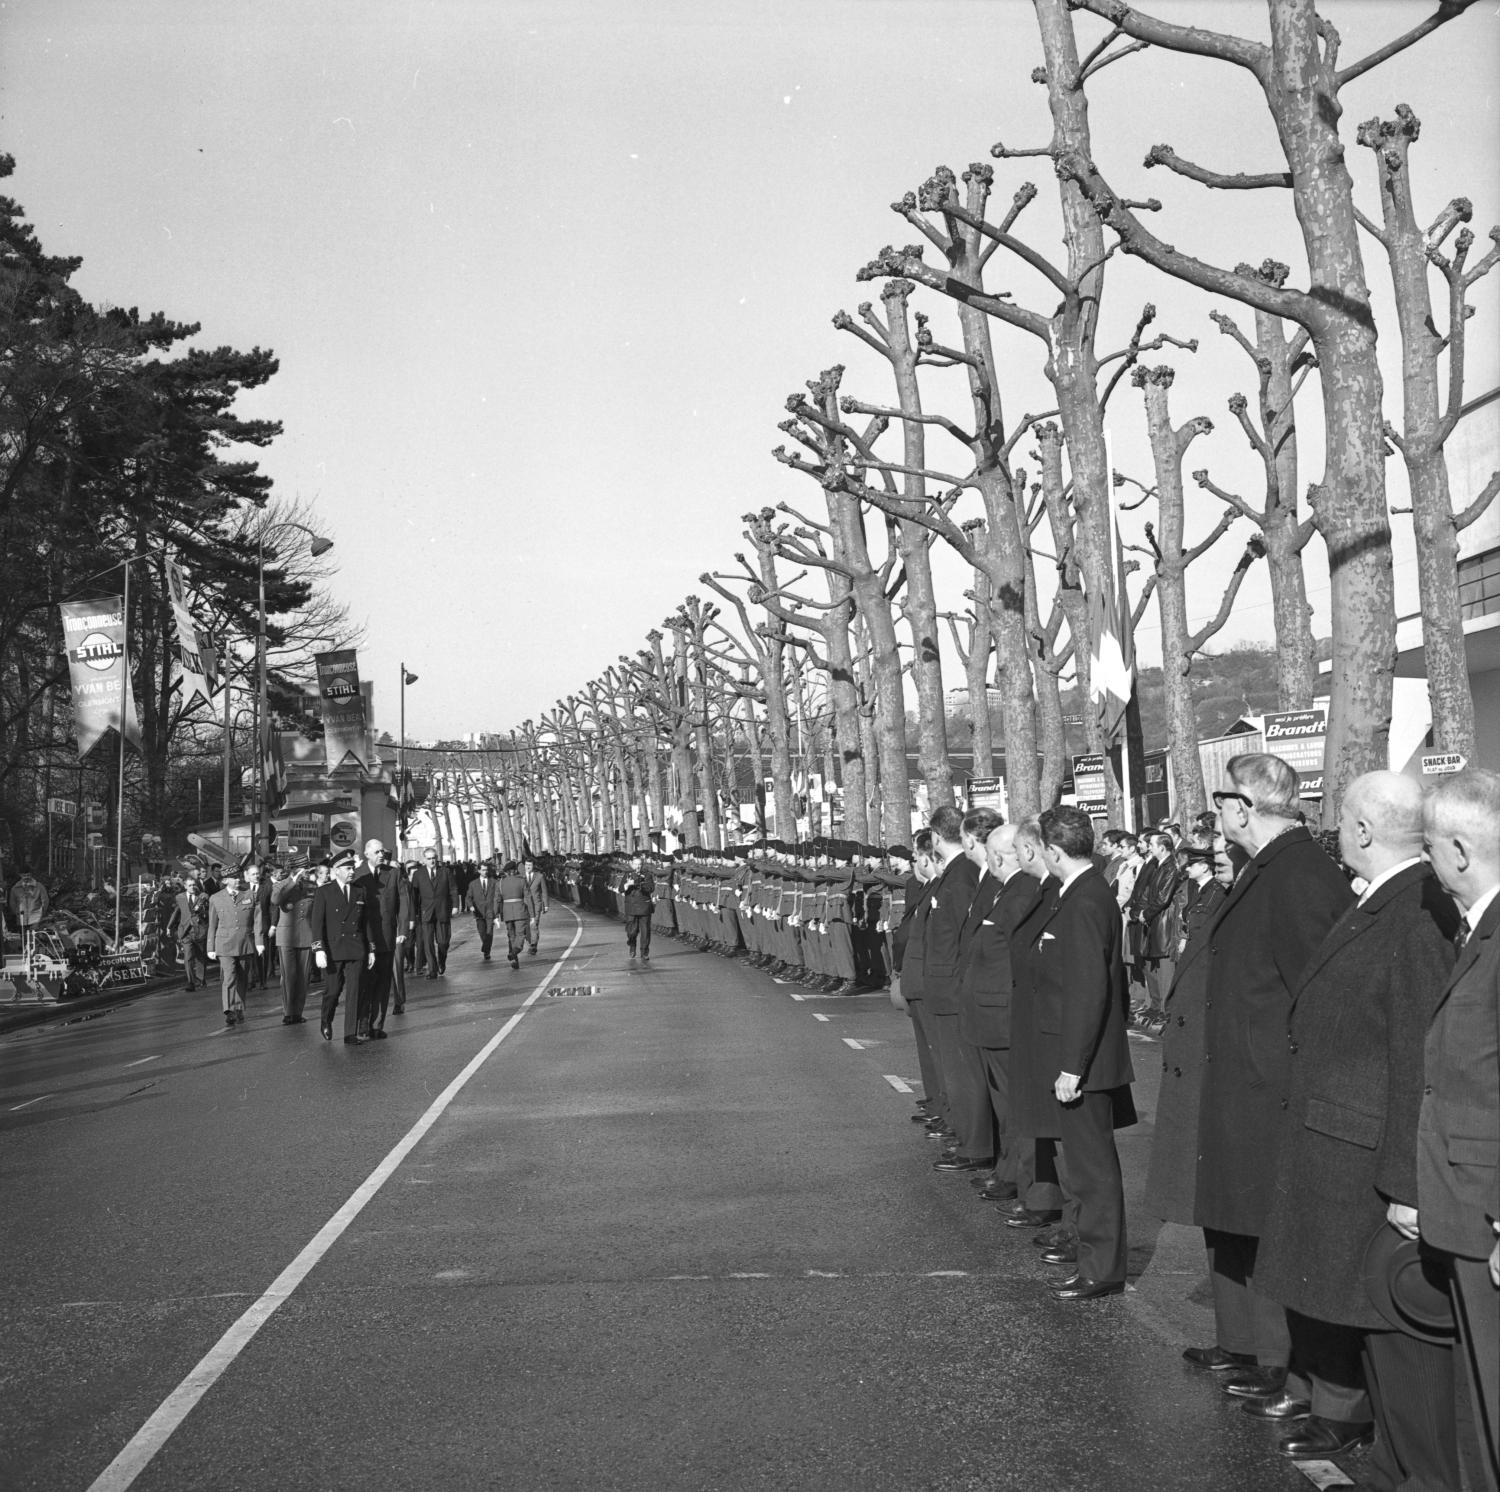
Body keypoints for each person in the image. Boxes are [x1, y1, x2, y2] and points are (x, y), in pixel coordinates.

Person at [1256, 772, 1459, 1471]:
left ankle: (1351, 1418)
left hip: (1363, 1134)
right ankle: (1323, 1398)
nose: (1336, 831)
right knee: (1328, 1279)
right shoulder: (1383, 899)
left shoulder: (1413, 913)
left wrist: (1407, 1179)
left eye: (1341, 819)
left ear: (1365, 831)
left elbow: (1417, 1056)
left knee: (1360, 1291)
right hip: (1335, 1123)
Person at [1199, 753, 1354, 1410]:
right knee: (1241, 1222)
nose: (1218, 816)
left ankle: (1284, 1365)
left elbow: (1319, 994)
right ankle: (1262, 1354)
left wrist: (1286, 1078)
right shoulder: (1266, 868)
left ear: (1243, 806)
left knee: (1272, 1229)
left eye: (1221, 802)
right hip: (1250, 1082)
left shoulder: (1294, 875)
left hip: (1273, 1089)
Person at [1415, 769, 1500, 1492]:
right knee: (1479, 1409)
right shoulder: (1480, 931)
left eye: (1431, 848)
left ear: (1462, 851)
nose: (1429, 866)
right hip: (1466, 1205)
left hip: (1490, 1213)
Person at [1019, 805, 1135, 1302]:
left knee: (1092, 1171)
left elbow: (1088, 992)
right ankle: (1094, 1260)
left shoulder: (1086, 900)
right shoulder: (1080, 894)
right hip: (1076, 1055)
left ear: (1053, 851)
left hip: (1082, 1064)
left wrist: (1073, 1066)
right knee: (1085, 1168)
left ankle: (1103, 1268)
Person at [1146, 837, 1236, 1364]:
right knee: (1218, 1217)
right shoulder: (1223, 896)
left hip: (1227, 1068)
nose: (1215, 852)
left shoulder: (1254, 895)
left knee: (1239, 1218)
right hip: (1206, 1066)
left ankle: (1262, 1350)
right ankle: (1241, 1341)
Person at [957, 822, 1043, 1203]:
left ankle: (1027, 1183)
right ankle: (1010, 1171)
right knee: (1005, 1106)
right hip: (990, 1015)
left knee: (1015, 1108)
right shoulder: (1006, 890)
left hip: (1005, 1016)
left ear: (996, 857)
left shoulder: (1022, 891)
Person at [311, 850, 373, 1044]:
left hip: (356, 948)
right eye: (348, 868)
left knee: (354, 991)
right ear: (336, 870)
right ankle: (326, 1019)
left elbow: (366, 923)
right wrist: (318, 949)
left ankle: (349, 1033)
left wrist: (371, 949)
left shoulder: (359, 891)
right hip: (333, 949)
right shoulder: (324, 892)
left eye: (353, 868)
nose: (352, 872)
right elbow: (316, 923)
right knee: (333, 990)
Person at [357, 838, 410, 1038]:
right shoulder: (357, 875)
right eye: (377, 852)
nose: (382, 855)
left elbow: (403, 902)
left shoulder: (393, 874)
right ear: (367, 854)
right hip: (364, 939)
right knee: (365, 984)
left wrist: (403, 929)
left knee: (383, 983)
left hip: (388, 936)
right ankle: (362, 1025)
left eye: (383, 852)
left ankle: (377, 1025)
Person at [205, 865, 265, 1028]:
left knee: (242, 978)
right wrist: (210, 947)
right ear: (225, 880)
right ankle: (229, 1010)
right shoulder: (215, 898)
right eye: (234, 877)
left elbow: (258, 920)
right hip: (224, 944)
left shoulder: (250, 895)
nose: (238, 880)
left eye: (238, 876)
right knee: (229, 976)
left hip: (245, 942)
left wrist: (259, 942)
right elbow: (212, 924)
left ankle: (238, 1008)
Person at [272, 862, 318, 1024]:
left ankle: (298, 1012)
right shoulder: (281, 885)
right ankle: (288, 1012)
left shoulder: (311, 886)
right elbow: (276, 900)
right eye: (304, 871)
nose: (307, 874)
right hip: (286, 936)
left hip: (305, 935)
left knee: (303, 977)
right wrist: (292, 882)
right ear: (296, 870)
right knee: (289, 975)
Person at [411, 848, 454, 977]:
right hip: (426, 913)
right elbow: (414, 895)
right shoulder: (418, 874)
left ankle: (442, 961)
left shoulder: (445, 872)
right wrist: (414, 914)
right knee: (428, 943)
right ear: (424, 860)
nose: (432, 861)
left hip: (442, 911)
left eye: (434, 858)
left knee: (443, 942)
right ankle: (432, 970)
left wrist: (455, 906)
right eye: (429, 859)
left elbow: (453, 889)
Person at [168, 875, 209, 993]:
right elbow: (176, 912)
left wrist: (203, 910)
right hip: (186, 932)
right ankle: (191, 982)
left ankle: (201, 979)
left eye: (194, 885)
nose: (192, 887)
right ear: (185, 886)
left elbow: (207, 911)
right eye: (190, 885)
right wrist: (169, 926)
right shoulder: (179, 897)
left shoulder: (202, 896)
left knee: (201, 956)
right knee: (188, 957)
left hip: (199, 930)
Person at [620, 854, 655, 962]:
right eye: (636, 864)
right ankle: (632, 944)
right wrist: (627, 885)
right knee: (631, 930)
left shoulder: (647, 875)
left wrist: (641, 883)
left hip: (644, 905)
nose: (638, 867)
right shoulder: (627, 874)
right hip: (631, 906)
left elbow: (651, 888)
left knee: (645, 931)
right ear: (632, 864)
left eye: (640, 864)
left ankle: (644, 952)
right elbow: (621, 889)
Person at [496, 860, 530, 969]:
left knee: (512, 936)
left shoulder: (500, 883)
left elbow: (497, 900)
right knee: (520, 935)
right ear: (515, 870)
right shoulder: (522, 881)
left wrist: (495, 915)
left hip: (507, 912)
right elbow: (528, 898)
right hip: (520, 910)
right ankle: (514, 952)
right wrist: (532, 914)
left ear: (506, 872)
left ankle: (515, 960)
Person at [466, 860, 499, 961]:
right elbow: (468, 897)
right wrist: (471, 906)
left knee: (489, 932)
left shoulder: (494, 882)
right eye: (483, 870)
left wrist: (497, 911)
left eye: (487, 870)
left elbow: (497, 896)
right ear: (479, 871)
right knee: (482, 932)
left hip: (490, 911)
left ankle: (486, 952)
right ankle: (486, 947)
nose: (485, 872)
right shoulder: (473, 884)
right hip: (478, 912)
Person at [523, 856, 548, 954]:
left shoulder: (539, 876)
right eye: (526, 865)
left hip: (536, 904)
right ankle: (531, 942)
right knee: (526, 926)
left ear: (533, 866)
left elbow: (544, 891)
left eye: (530, 865)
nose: (527, 867)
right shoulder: (520, 876)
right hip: (524, 905)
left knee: (534, 924)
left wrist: (546, 905)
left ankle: (533, 945)